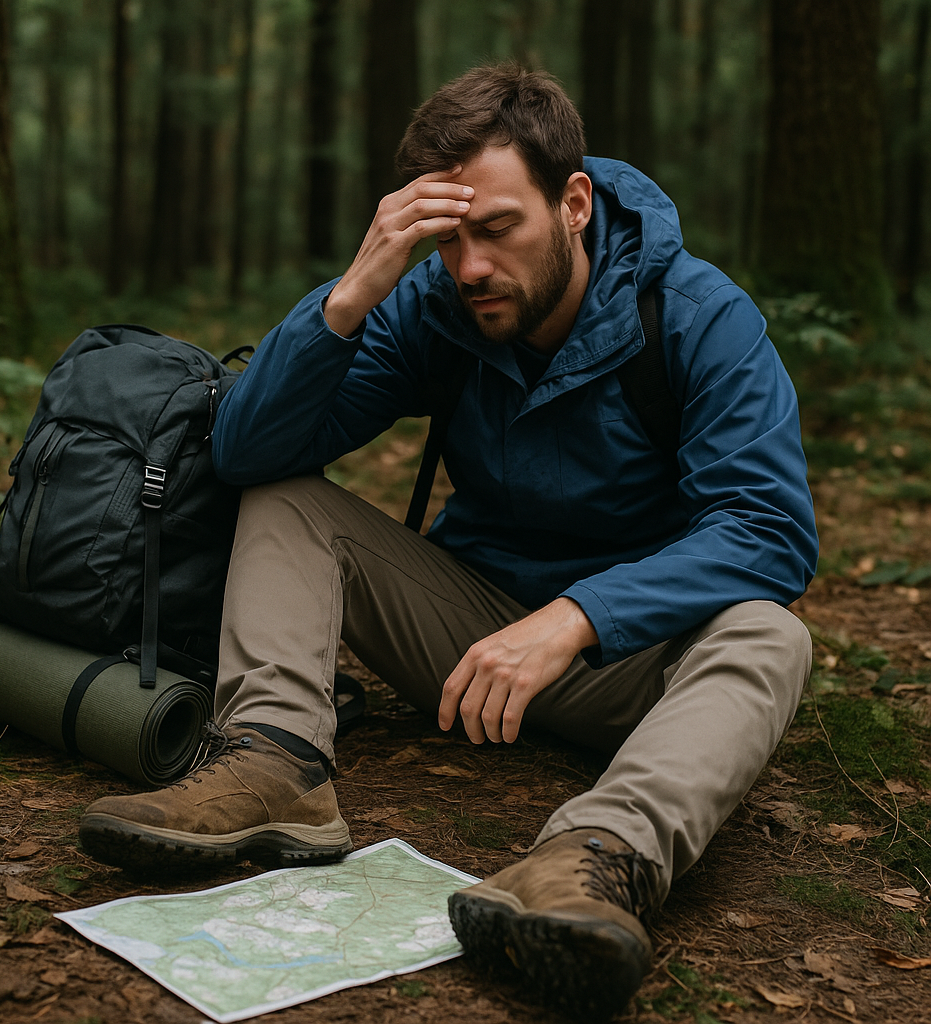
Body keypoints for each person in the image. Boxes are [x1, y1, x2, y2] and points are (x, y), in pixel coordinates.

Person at [79, 64, 818, 1020]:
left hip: (635, 663)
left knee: (770, 634)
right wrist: (352, 294)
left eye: (499, 228)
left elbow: (767, 528)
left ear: (574, 204)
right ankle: (274, 761)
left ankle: (592, 860)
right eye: (447, 237)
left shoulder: (697, 315)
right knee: (286, 499)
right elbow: (247, 450)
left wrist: (578, 616)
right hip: (468, 646)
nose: (471, 267)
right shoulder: (436, 303)